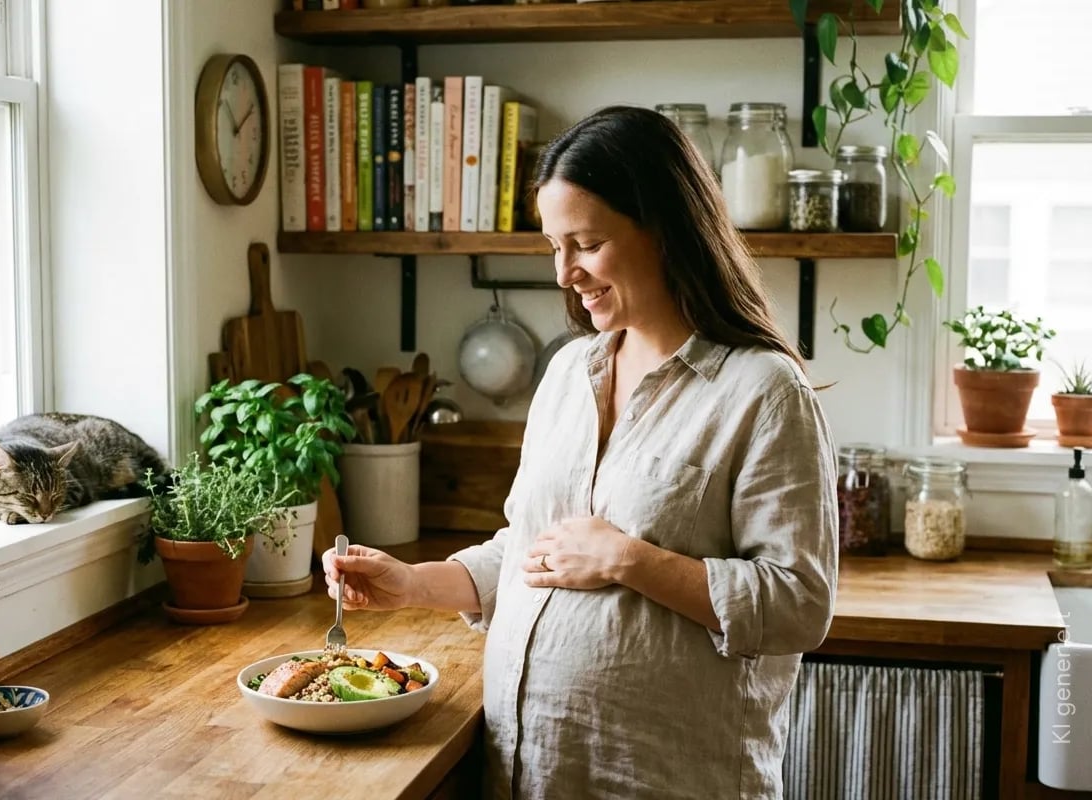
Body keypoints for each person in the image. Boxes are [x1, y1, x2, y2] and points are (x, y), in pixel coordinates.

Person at [323, 105, 838, 799]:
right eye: (552, 247)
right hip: (528, 772)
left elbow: (798, 603)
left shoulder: (762, 391)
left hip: (667, 781)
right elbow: (533, 550)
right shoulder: (569, 371)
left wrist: (629, 560)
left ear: (665, 229)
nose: (564, 272)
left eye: (587, 244)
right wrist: (413, 583)